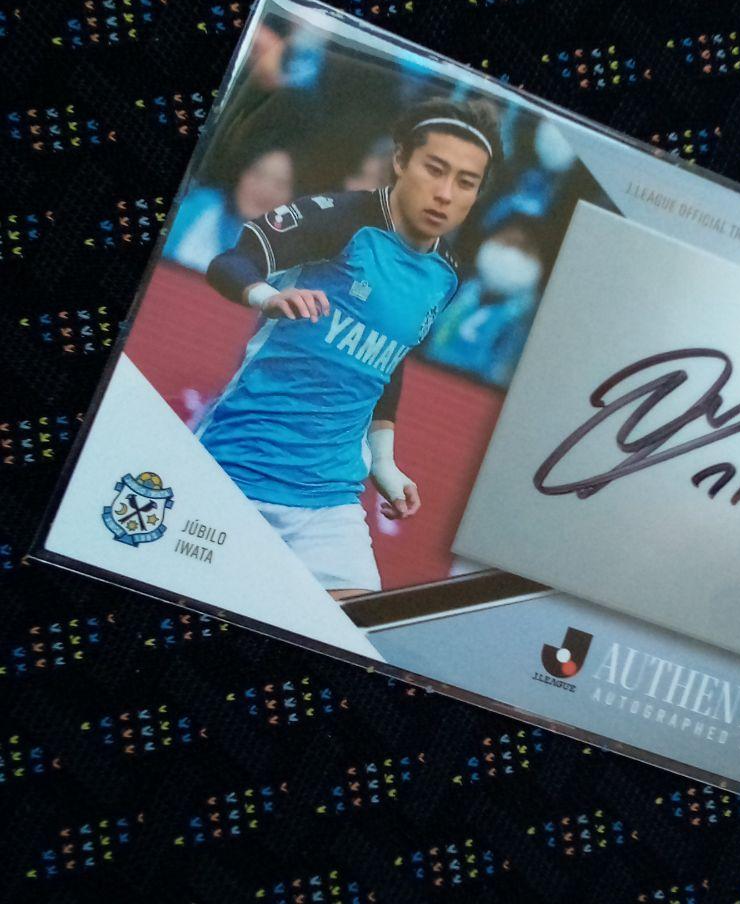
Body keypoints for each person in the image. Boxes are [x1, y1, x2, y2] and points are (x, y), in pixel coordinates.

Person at [198, 98, 502, 603]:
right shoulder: (340, 219)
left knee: (355, 634)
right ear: (401, 160)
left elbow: (389, 362)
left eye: (466, 182)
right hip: (237, 467)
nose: (446, 193)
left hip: (330, 500)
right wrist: (267, 296)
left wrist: (384, 463)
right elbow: (230, 263)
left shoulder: (446, 275)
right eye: (435, 169)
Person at [423, 214, 546, 386]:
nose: (510, 254)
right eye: (506, 241)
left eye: (523, 247)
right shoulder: (458, 289)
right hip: (424, 376)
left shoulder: (529, 318)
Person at [163, 146, 295, 273]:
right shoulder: (201, 206)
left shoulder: (289, 258)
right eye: (258, 174)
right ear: (241, 173)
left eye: (280, 184)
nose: (264, 190)